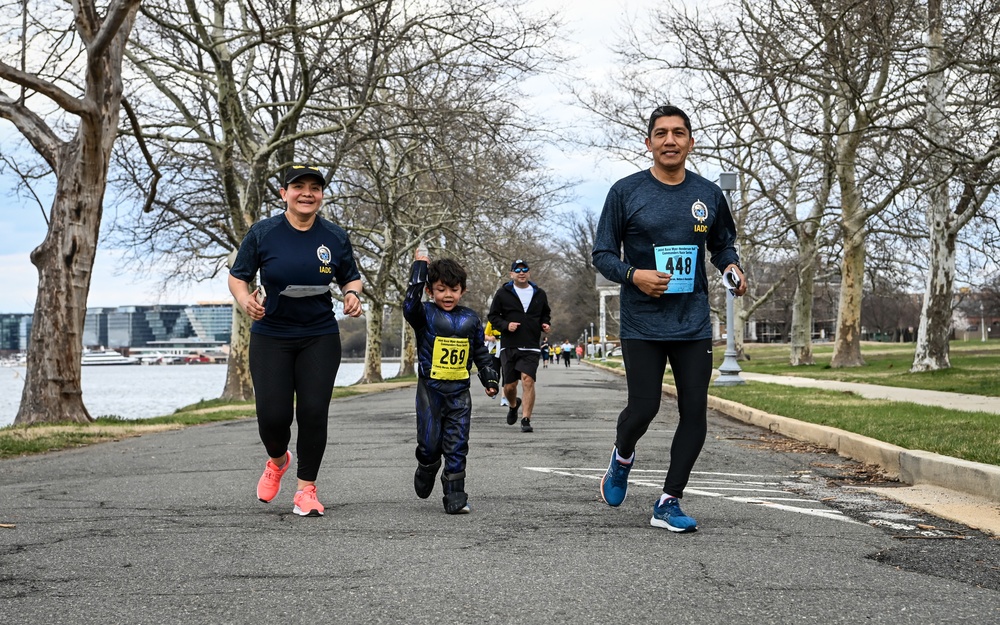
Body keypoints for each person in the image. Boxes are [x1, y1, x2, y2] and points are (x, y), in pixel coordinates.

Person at [592, 105, 747, 533]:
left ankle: (669, 501)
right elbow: (602, 254)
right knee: (645, 407)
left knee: (694, 411)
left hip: (692, 320)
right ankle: (622, 456)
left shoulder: (709, 195)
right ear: (649, 143)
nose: (670, 140)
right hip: (642, 321)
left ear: (691, 142)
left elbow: (723, 246)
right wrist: (634, 275)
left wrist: (731, 268)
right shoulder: (625, 192)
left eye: (679, 133)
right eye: (661, 134)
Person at [229, 164, 364, 517]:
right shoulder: (263, 233)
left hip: (319, 334)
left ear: (321, 195)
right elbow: (237, 278)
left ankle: (306, 490)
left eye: (315, 188)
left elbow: (351, 277)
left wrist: (352, 295)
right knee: (272, 417)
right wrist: (245, 301)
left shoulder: (334, 236)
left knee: (313, 412)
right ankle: (277, 459)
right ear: (284, 193)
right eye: (298, 187)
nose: (307, 193)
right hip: (270, 334)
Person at [403, 250, 499, 514]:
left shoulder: (470, 319)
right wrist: (420, 266)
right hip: (430, 391)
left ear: (463, 291)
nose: (447, 295)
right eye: (441, 289)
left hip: (459, 392)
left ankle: (455, 493)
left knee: (457, 444)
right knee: (430, 443)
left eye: (453, 290)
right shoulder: (423, 314)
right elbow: (409, 303)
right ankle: (427, 465)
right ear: (430, 291)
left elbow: (479, 351)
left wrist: (489, 377)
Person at [488, 259, 552, 433]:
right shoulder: (503, 293)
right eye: (517, 270)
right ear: (512, 274)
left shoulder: (539, 293)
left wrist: (545, 323)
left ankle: (526, 419)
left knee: (528, 380)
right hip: (509, 345)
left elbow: (545, 313)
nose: (521, 272)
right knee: (509, 386)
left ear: (529, 273)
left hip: (531, 345)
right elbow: (493, 316)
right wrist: (505, 325)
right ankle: (514, 405)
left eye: (525, 270)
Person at [484, 320, 508, 406]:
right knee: (495, 373)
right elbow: (485, 335)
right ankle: (494, 388)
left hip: (505, 350)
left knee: (506, 373)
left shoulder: (509, 319)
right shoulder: (491, 322)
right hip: (494, 350)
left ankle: (504, 397)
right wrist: (490, 338)